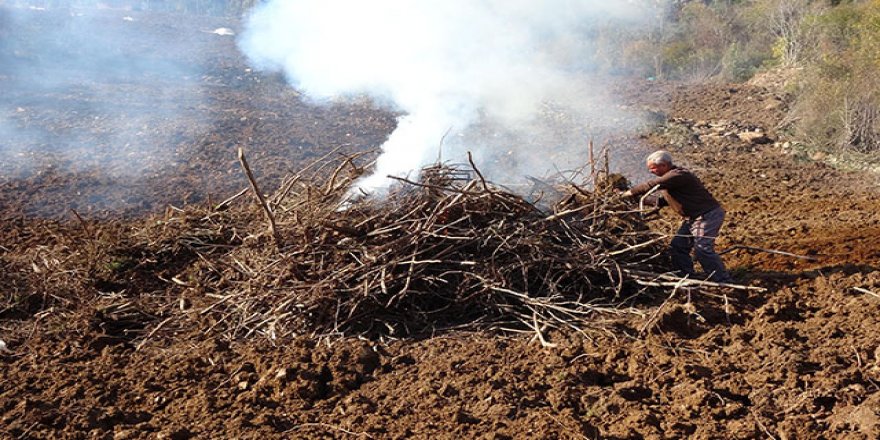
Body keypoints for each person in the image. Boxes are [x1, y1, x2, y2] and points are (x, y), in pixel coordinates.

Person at [621, 150, 732, 282]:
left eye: (653, 168)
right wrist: (639, 200)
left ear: (664, 165)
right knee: (678, 246)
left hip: (706, 215)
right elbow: (663, 201)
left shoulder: (678, 175)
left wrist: (628, 193)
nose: (651, 171)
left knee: (702, 249)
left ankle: (722, 280)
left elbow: (651, 185)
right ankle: (687, 276)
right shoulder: (671, 181)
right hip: (692, 218)